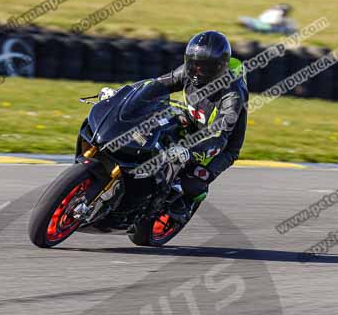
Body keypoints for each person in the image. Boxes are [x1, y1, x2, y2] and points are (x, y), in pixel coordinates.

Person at [100, 31, 249, 217]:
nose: (196, 71)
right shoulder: (189, 71)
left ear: (220, 67)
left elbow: (219, 136)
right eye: (193, 63)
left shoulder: (232, 95)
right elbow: (156, 85)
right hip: (193, 121)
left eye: (204, 67)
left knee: (191, 183)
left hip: (221, 145)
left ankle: (181, 205)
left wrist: (190, 151)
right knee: (156, 126)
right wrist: (120, 94)